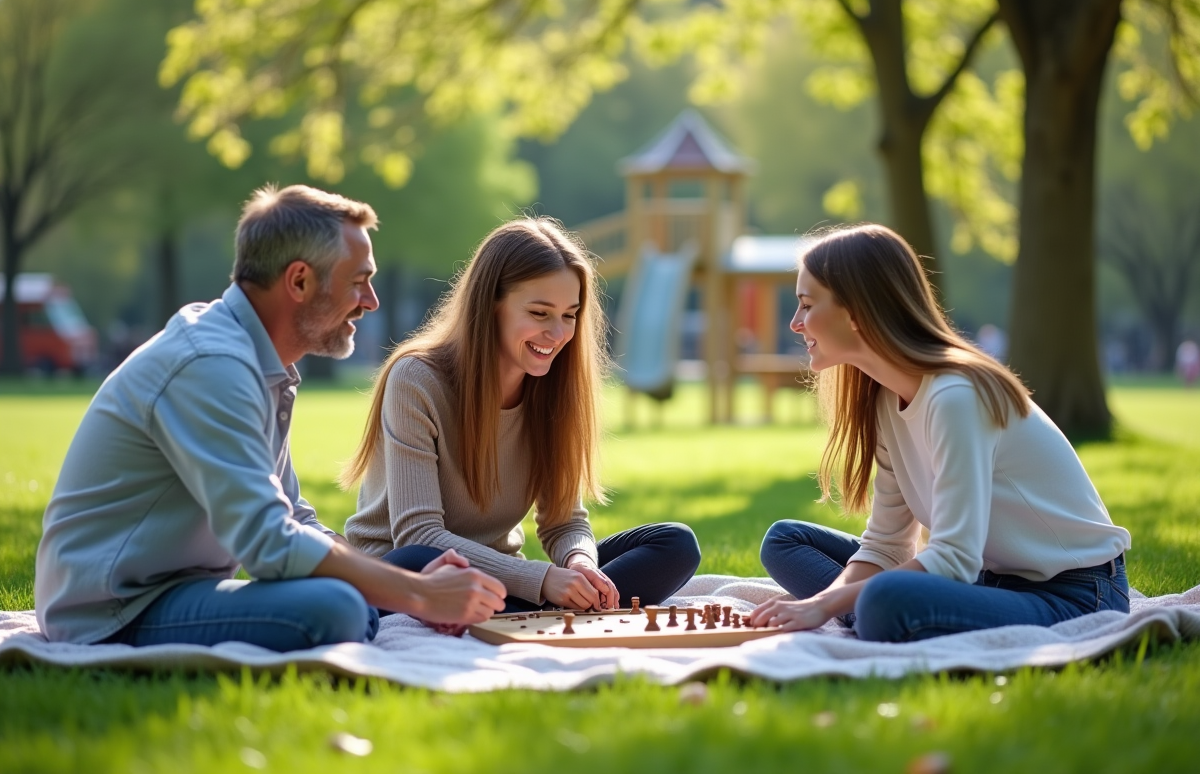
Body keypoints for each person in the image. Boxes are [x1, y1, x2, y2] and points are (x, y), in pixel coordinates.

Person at [35, 185, 506, 651]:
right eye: (358, 280)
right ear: (299, 281)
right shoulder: (210, 365)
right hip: (113, 607)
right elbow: (268, 543)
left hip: (177, 587)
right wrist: (419, 594)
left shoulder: (259, 364)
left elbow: (294, 518)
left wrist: (405, 578)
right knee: (337, 608)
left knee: (417, 560)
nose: (371, 301)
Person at [750, 224, 1131, 642]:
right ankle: (892, 616)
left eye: (806, 305)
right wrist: (821, 603)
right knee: (786, 541)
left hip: (1075, 593)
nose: (795, 323)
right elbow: (885, 546)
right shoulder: (885, 400)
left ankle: (887, 615)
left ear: (856, 312)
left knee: (884, 601)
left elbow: (954, 558)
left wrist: (824, 604)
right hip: (987, 581)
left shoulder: (956, 396)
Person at [342, 217, 701, 612]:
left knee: (676, 544)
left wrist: (580, 564)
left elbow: (564, 521)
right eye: (540, 313)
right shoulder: (416, 379)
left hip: (503, 577)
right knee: (416, 561)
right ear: (491, 304)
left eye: (570, 314)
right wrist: (542, 580)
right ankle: (540, 605)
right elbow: (418, 536)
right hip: (406, 573)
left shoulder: (551, 388)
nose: (559, 333)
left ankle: (543, 605)